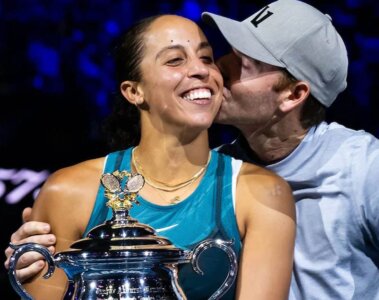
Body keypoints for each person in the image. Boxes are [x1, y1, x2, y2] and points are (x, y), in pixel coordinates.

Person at [4, 14, 296, 300]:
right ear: (134, 91)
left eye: (206, 58)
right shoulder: (68, 191)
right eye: (175, 60)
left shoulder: (262, 193)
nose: (201, 70)